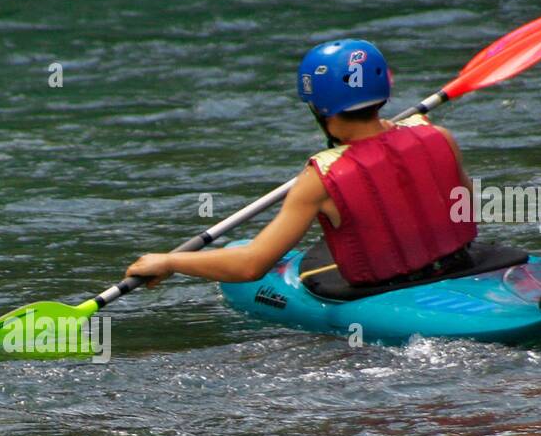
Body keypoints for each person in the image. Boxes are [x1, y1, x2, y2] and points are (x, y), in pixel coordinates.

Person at [126, 39, 477, 291]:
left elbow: (251, 265)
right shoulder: (438, 136)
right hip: (463, 267)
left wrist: (170, 262)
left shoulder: (321, 177)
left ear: (317, 107)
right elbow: (465, 211)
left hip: (386, 291)